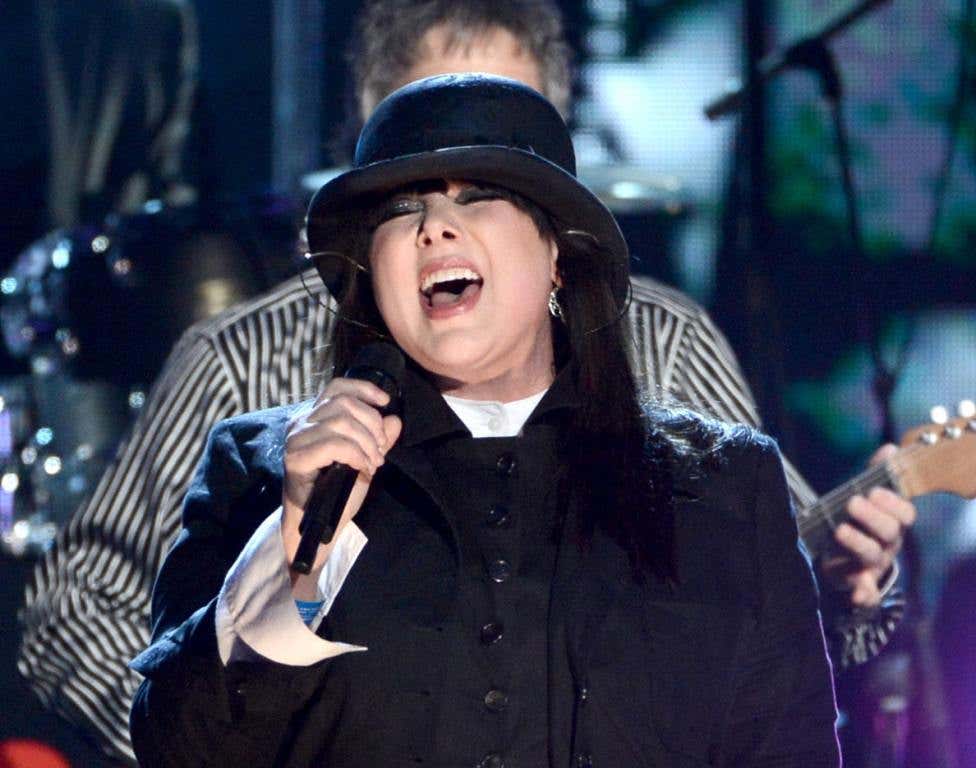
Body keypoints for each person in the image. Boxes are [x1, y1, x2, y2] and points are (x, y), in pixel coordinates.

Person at [19, 0, 912, 764]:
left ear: (561, 244)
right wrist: (293, 553)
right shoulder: (256, 462)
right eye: (404, 206)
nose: (437, 230)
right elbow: (167, 723)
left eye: (481, 187)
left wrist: (853, 582)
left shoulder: (722, 475)